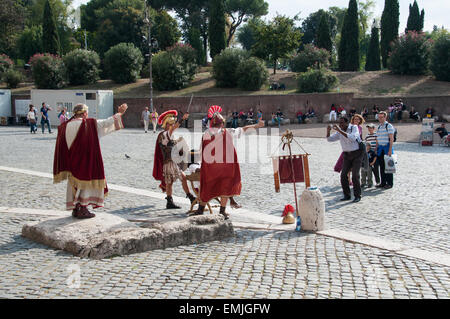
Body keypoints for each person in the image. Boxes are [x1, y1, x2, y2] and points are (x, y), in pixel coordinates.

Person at [53, 103, 128, 219]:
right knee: (85, 183)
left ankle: (76, 208)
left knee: (74, 183)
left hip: (71, 160)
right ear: (84, 113)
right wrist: (120, 113)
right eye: (86, 113)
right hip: (85, 159)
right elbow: (106, 123)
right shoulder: (88, 124)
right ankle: (83, 208)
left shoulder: (65, 126)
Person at [192, 105, 264, 219]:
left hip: (211, 169)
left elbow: (201, 152)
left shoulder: (206, 134)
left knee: (207, 187)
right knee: (225, 187)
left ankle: (200, 209)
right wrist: (256, 125)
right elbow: (243, 129)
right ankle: (222, 211)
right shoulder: (227, 132)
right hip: (225, 169)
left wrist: (199, 165)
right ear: (221, 124)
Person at [152, 110, 196, 209]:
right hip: (170, 163)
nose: (172, 126)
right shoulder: (164, 134)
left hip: (169, 162)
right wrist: (182, 119)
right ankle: (191, 197)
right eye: (171, 124)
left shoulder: (166, 135)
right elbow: (174, 129)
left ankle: (169, 201)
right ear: (167, 124)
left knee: (169, 183)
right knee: (183, 177)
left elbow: (173, 145)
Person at [327, 117, 364, 203]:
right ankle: (347, 195)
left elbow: (352, 138)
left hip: (357, 153)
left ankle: (357, 195)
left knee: (355, 175)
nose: (340, 125)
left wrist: (340, 131)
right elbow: (329, 139)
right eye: (340, 123)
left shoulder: (353, 128)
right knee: (343, 175)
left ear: (347, 123)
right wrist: (328, 131)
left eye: (342, 123)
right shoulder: (340, 131)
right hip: (347, 154)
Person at [375, 111, 395, 189]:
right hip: (380, 148)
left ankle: (390, 183)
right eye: (379, 117)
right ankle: (383, 182)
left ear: (385, 117)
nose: (380, 119)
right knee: (382, 166)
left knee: (389, 166)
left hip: (387, 148)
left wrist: (390, 150)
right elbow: (378, 138)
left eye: (381, 117)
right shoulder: (379, 126)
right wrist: (376, 147)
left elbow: (391, 138)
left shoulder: (389, 126)